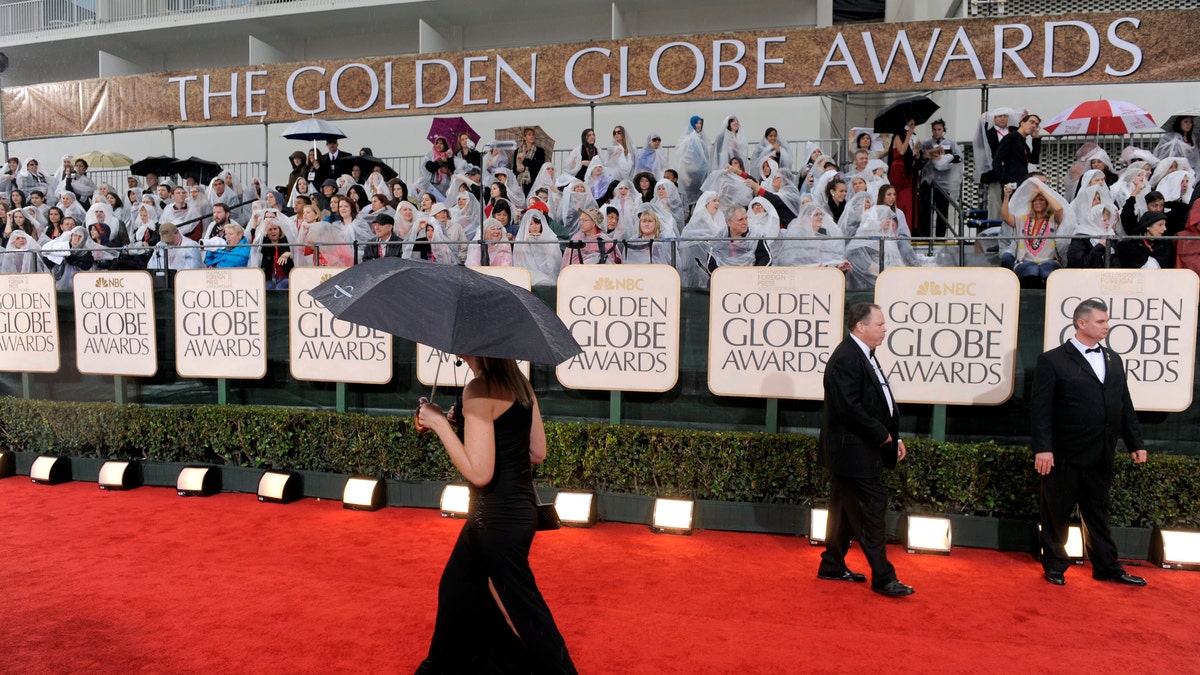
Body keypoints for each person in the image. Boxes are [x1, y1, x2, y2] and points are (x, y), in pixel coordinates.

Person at [415, 355, 576, 673]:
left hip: (493, 523)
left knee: (524, 611)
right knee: (457, 591)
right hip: (518, 515)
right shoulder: (520, 385)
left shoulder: (478, 388)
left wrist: (439, 425)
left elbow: (480, 474)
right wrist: (471, 426)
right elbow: (536, 452)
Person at [1031, 299, 1148, 587]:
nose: (1106, 326)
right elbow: (1040, 409)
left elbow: (1124, 404)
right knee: (1056, 511)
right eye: (1100, 321)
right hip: (1063, 452)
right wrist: (1043, 448)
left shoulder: (1114, 359)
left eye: (1107, 321)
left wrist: (1136, 442)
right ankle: (1055, 564)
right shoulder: (1053, 360)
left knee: (1098, 511)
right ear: (1081, 323)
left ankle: (1107, 566)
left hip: (1102, 451)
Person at [817, 302, 912, 598]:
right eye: (880, 324)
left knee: (844, 510)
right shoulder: (847, 357)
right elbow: (850, 408)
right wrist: (882, 434)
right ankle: (884, 578)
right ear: (861, 326)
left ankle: (832, 564)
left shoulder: (862, 354)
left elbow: (877, 404)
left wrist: (892, 437)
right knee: (872, 510)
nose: (885, 329)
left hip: (859, 449)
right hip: (853, 453)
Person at [1000, 178, 1066, 288]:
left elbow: (1059, 209)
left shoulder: (1053, 220)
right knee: (1031, 269)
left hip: (1049, 261)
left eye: (1041, 200)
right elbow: (1006, 217)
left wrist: (1043, 191)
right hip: (1025, 263)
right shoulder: (1023, 219)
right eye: (1035, 200)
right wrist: (1006, 197)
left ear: (1047, 203)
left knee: (1046, 270)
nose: (1037, 203)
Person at [919, 119, 963, 238]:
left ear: (943, 130)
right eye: (934, 129)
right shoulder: (926, 143)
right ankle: (926, 238)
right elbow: (920, 158)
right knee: (927, 212)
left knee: (942, 212)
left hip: (945, 183)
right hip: (928, 182)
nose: (937, 132)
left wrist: (947, 158)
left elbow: (959, 157)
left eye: (939, 129)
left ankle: (940, 238)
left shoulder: (951, 143)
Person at [993, 113, 1042, 191]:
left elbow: (1034, 160)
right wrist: (1003, 181)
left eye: (1036, 125)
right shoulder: (1011, 138)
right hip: (1011, 182)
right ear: (1022, 123)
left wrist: (1036, 139)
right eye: (1031, 122)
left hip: (1021, 182)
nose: (1034, 126)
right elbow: (997, 160)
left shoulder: (1023, 142)